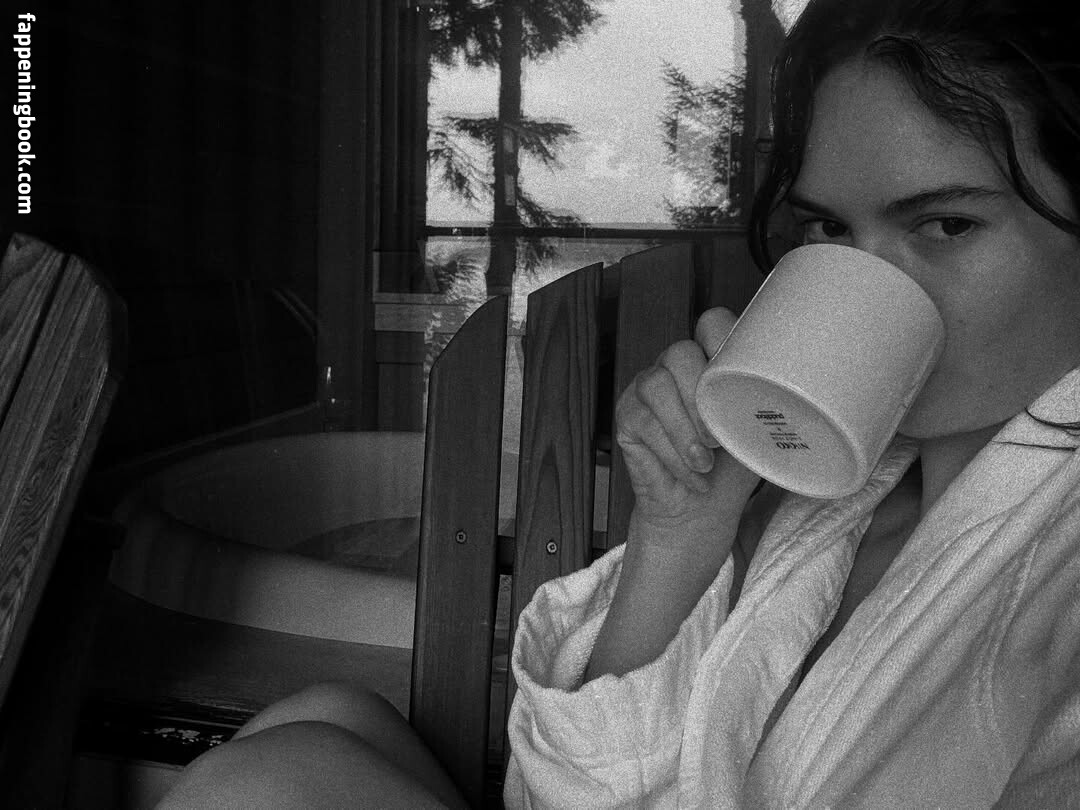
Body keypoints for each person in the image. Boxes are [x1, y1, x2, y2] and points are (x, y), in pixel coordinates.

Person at [159, 0, 1080, 806]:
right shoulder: (830, 500)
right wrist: (677, 541)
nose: (866, 284)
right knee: (329, 716)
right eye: (830, 228)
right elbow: (559, 797)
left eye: (947, 224)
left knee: (262, 782)